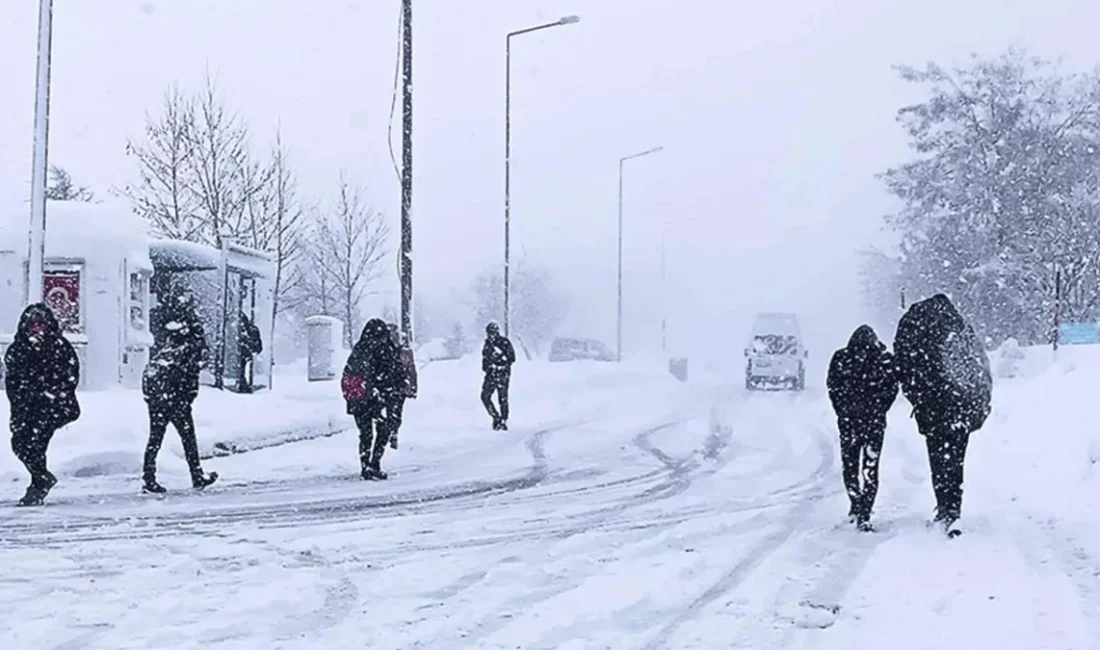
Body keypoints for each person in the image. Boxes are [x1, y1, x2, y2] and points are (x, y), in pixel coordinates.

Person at [894, 293, 992, 536]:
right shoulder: (960, 328)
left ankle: (944, 506)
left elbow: (904, 369)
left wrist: (918, 399)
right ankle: (954, 509)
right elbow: (980, 368)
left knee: (938, 460)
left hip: (934, 411)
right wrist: (978, 405)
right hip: (963, 409)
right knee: (956, 460)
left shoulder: (918, 331)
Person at [4, 304, 81, 506]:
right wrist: (21, 403)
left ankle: (37, 486)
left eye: (40, 324)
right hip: (26, 408)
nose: (36, 329)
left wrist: (53, 395)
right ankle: (41, 478)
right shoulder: (17, 349)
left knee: (36, 444)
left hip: (54, 407)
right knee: (20, 444)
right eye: (32, 325)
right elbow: (12, 382)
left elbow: (70, 376)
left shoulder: (59, 347)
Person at [141, 296, 218, 493]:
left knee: (155, 439)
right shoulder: (189, 346)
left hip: (158, 400)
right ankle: (197, 475)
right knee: (188, 438)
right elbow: (191, 371)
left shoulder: (169, 345)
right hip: (177, 401)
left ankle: (149, 477)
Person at [826, 325, 898, 531]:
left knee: (867, 469)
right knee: (855, 468)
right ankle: (857, 504)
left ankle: (864, 510)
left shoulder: (879, 361)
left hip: (865, 423)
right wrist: (845, 411)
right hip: (857, 422)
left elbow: (892, 389)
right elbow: (833, 387)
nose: (862, 355)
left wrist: (875, 409)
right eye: (859, 350)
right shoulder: (849, 359)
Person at [342, 319, 401, 480]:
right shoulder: (384, 348)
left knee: (365, 433)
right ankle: (375, 463)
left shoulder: (360, 348)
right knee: (383, 429)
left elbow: (349, 373)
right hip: (378, 397)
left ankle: (365, 465)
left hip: (359, 398)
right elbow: (391, 373)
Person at [385, 323, 418, 450]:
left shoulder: (404, 352)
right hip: (394, 386)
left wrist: (413, 387)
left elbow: (411, 369)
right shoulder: (388, 351)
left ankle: (392, 432)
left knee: (394, 411)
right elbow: (411, 370)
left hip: (396, 386)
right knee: (394, 411)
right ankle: (392, 432)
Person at [481, 322, 515, 431]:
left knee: (503, 398)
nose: (491, 335)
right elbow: (484, 359)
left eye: (492, 332)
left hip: (502, 374)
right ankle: (496, 417)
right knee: (485, 396)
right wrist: (488, 366)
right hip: (491, 374)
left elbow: (512, 358)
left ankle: (503, 420)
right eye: (489, 333)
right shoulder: (487, 344)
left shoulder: (504, 342)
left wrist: (500, 362)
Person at [237, 311, 263, 393]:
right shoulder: (253, 330)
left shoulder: (252, 330)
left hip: (244, 358)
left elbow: (258, 348)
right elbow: (258, 348)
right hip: (244, 358)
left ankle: (244, 385)